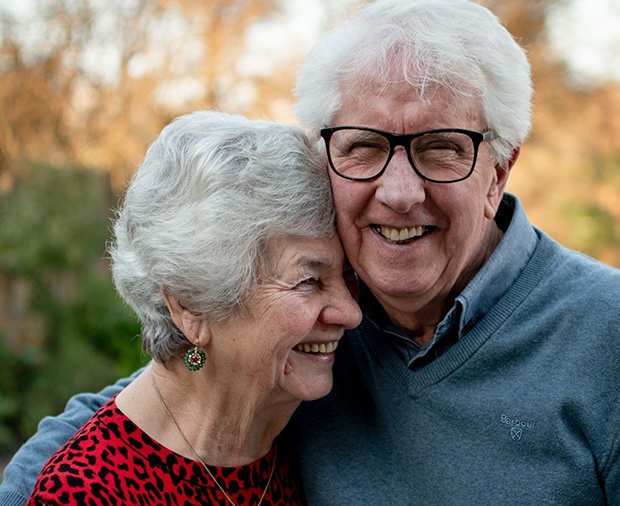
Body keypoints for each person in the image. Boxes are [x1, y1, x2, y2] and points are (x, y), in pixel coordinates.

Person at [1, 0, 619, 504]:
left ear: (499, 171)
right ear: (328, 157)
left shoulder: (605, 336)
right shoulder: (325, 325)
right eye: (364, 146)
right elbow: (167, 390)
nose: (399, 194)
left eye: (441, 147)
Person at [22, 110, 362, 505]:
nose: (350, 313)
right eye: (309, 281)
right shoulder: (87, 492)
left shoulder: (302, 435)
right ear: (191, 306)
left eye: (349, 275)